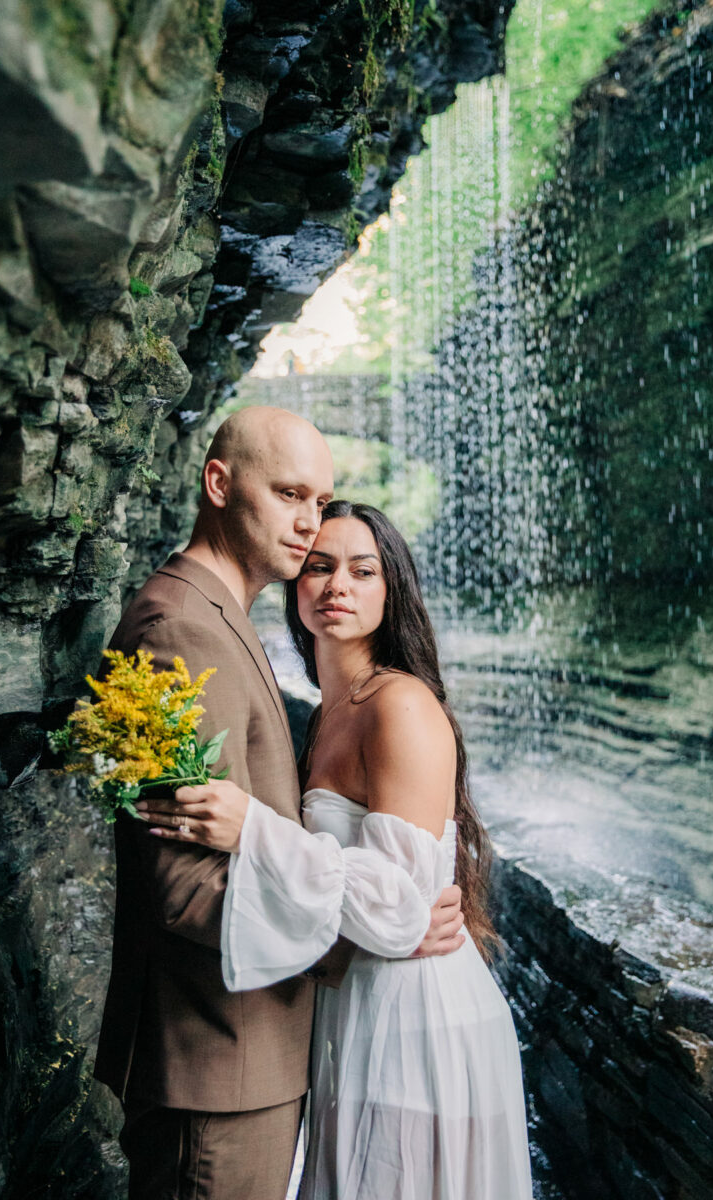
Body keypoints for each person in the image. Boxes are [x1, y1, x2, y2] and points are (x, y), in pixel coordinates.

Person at [93, 409, 466, 1200]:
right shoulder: (179, 631)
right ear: (220, 484)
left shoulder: (227, 621)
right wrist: (370, 936)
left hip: (255, 1058)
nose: (309, 523)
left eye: (320, 499)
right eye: (291, 493)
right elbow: (186, 887)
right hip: (215, 1062)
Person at [139, 500, 533, 1199]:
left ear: (393, 590)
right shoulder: (330, 711)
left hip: (415, 1019)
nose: (337, 586)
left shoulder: (399, 705)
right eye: (319, 567)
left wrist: (252, 828)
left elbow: (401, 911)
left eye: (363, 570)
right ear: (296, 585)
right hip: (353, 1004)